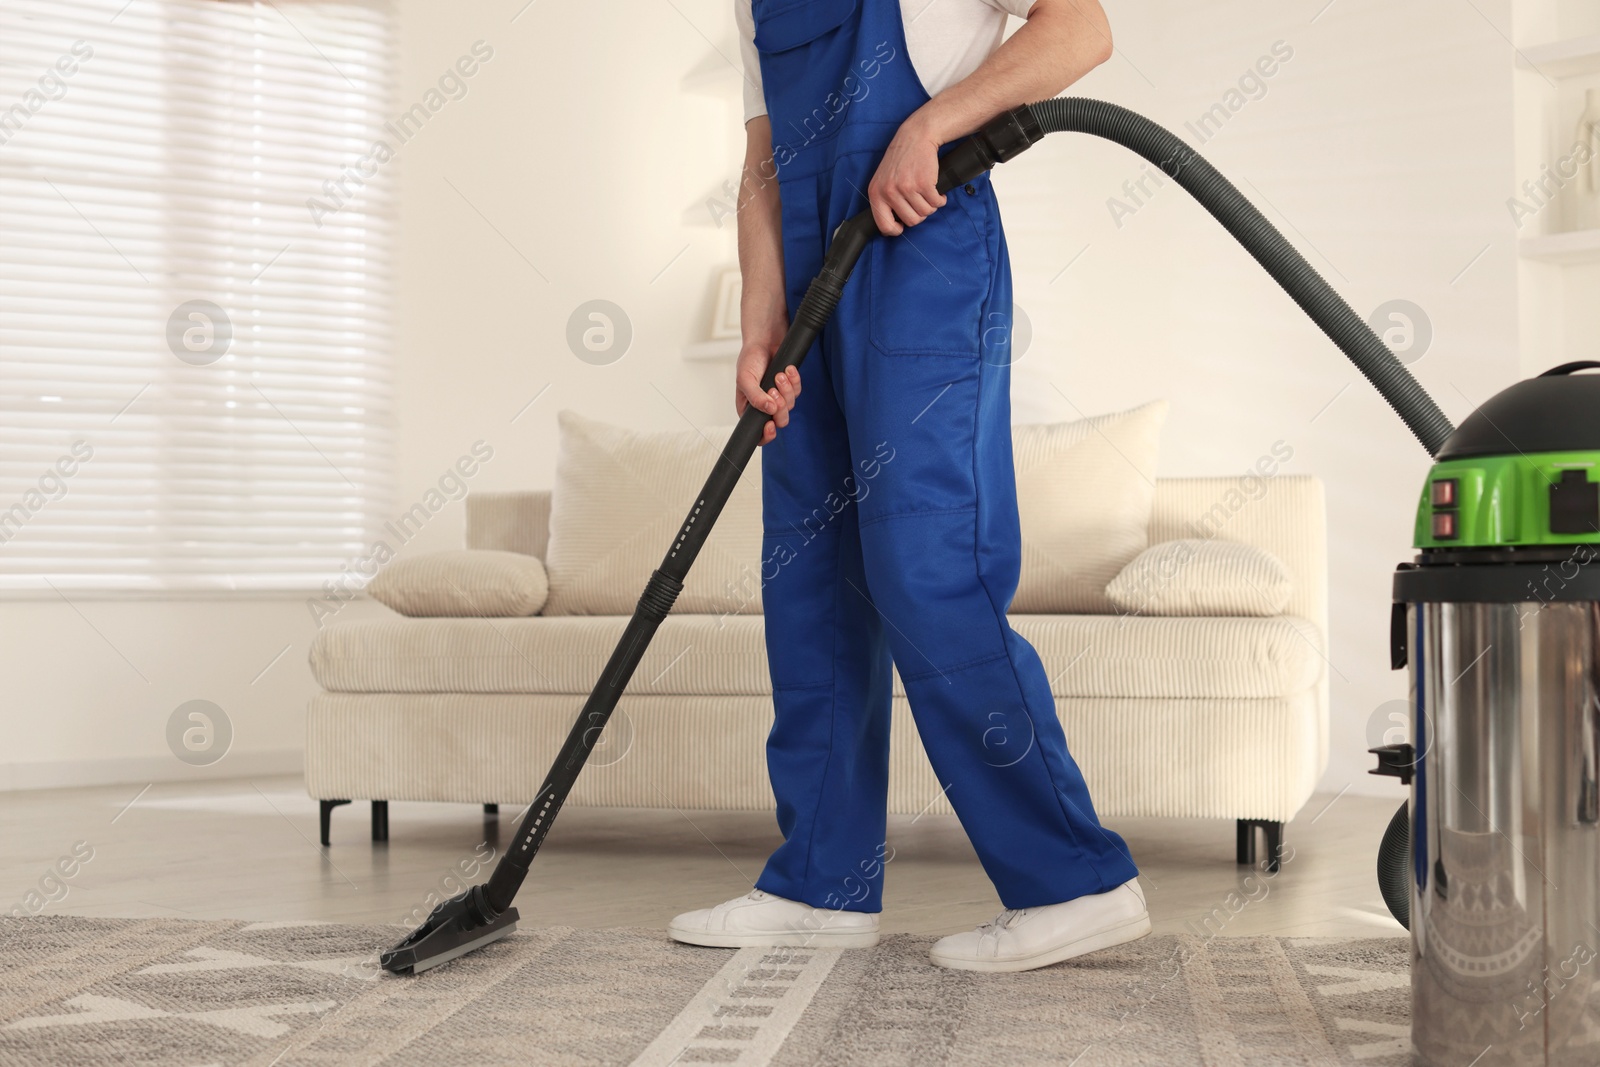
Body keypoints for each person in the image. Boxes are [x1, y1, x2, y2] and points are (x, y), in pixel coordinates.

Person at [668, 0, 1147, 973]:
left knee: (927, 564)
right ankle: (819, 883)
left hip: (920, 256)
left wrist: (932, 125)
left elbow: (1078, 27)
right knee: (809, 585)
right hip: (808, 287)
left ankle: (1073, 881)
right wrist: (758, 329)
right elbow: (761, 164)